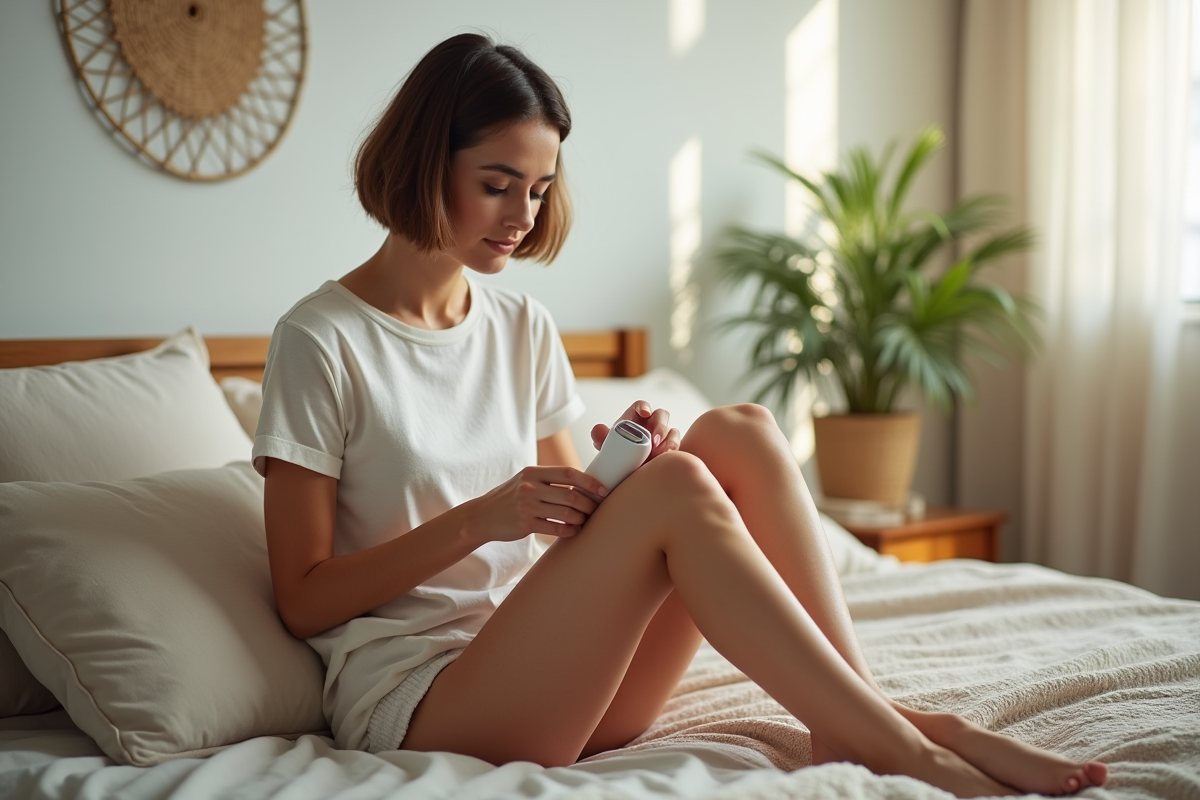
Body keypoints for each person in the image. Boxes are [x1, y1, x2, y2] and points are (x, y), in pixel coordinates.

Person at [253, 33, 1107, 799]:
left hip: (558, 675)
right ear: (422, 166)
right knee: (682, 491)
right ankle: (912, 746)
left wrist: (623, 478)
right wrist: (484, 517)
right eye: (497, 185)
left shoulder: (522, 326)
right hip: (426, 700)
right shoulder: (320, 340)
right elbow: (301, 599)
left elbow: (567, 532)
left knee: (738, 431)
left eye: (540, 190)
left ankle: (863, 722)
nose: (523, 218)